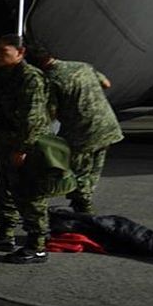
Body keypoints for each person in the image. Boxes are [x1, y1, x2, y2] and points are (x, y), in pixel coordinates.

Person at [0, 34, 52, 264]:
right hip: (5, 145)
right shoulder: (6, 76)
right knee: (4, 191)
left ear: (20, 53)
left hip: (24, 148)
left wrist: (22, 149)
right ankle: (5, 236)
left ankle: (37, 246)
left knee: (30, 196)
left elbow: (33, 119)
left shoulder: (30, 79)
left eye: (3, 52)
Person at [27, 43, 124, 214]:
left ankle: (83, 208)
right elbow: (106, 83)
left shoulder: (51, 79)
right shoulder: (81, 65)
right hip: (107, 126)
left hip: (82, 132)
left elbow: (51, 113)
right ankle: (84, 202)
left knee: (78, 171)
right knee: (94, 169)